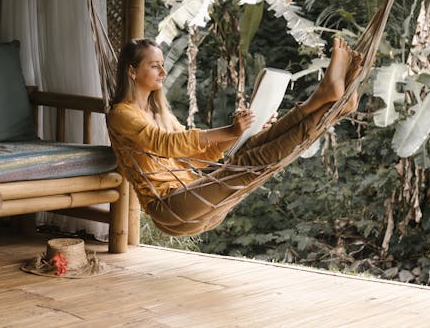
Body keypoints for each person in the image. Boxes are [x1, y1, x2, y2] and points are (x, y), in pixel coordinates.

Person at [106, 37, 361, 235]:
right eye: (154, 66)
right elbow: (165, 143)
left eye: (163, 65)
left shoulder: (161, 113)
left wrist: (241, 131)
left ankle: (327, 104)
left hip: (192, 194)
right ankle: (323, 101)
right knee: (248, 163)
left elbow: (200, 158)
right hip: (170, 207)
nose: (163, 71)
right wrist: (228, 131)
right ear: (132, 71)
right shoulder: (121, 114)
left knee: (253, 146)